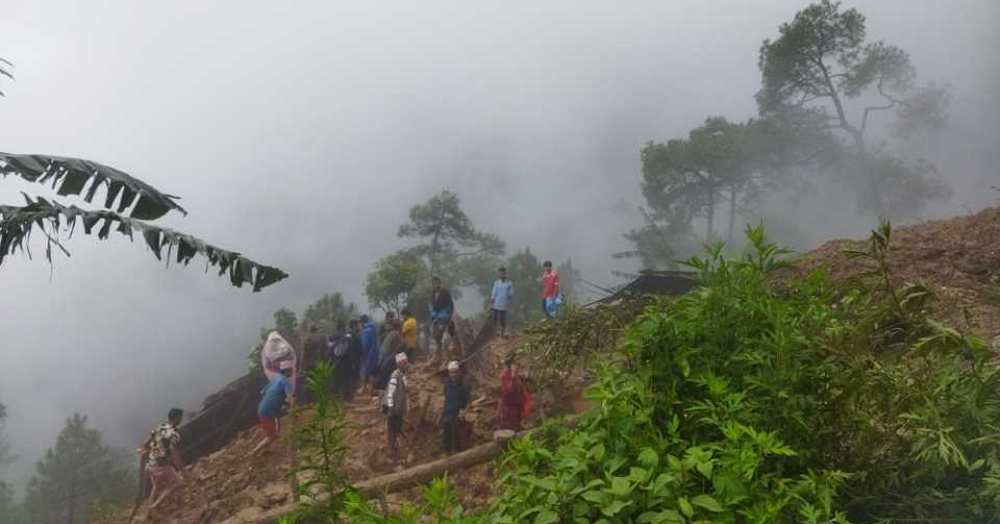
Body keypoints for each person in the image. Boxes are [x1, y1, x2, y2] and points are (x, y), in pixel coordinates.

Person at [142, 408, 185, 510]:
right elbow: (175, 455)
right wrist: (183, 470)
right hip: (162, 466)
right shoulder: (173, 433)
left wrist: (145, 456)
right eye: (181, 418)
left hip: (150, 465)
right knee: (177, 483)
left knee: (156, 486)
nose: (181, 420)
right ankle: (153, 506)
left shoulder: (160, 426)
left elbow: (143, 445)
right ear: (177, 418)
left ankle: (149, 509)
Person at [253, 360, 295, 456]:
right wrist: (292, 410)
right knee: (273, 436)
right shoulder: (286, 382)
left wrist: (278, 401)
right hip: (269, 412)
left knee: (270, 432)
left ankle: (265, 450)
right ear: (287, 371)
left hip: (261, 408)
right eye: (291, 370)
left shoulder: (276, 378)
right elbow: (290, 398)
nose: (292, 371)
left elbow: (262, 392)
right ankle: (254, 452)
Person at [382, 352, 409, 461]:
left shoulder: (402, 375)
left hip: (398, 408)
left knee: (397, 426)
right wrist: (390, 409)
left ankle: (394, 447)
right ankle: (391, 449)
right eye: (404, 363)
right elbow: (390, 393)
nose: (407, 365)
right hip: (393, 409)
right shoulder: (395, 376)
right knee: (392, 428)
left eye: (407, 362)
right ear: (399, 364)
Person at [441, 361, 470, 454]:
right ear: (448, 373)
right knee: (446, 439)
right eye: (451, 372)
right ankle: (447, 457)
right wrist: (441, 413)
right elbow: (446, 398)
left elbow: (469, 402)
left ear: (459, 373)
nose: (453, 375)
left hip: (457, 418)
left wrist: (463, 412)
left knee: (456, 441)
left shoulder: (463, 386)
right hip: (447, 415)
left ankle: (457, 458)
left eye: (455, 372)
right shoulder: (446, 383)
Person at [497, 360, 528, 431]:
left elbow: (520, 391)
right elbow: (508, 390)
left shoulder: (516, 377)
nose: (518, 367)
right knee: (508, 431)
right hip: (509, 410)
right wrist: (513, 378)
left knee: (515, 429)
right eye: (515, 365)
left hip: (516, 409)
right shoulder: (506, 376)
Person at [431, 277, 456, 363]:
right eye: (434, 283)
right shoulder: (433, 293)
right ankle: (438, 354)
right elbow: (433, 305)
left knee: (441, 333)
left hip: (445, 314)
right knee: (435, 335)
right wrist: (433, 313)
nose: (435, 285)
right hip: (436, 315)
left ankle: (446, 356)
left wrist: (450, 315)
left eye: (436, 283)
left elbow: (450, 304)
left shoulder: (445, 292)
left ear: (440, 283)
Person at [300, 324, 326, 404]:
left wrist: (301, 366)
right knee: (318, 382)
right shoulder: (322, 338)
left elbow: (304, 354)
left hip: (309, 365)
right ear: (316, 330)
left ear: (310, 330)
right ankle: (318, 401)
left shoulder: (307, 339)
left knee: (309, 383)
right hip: (319, 364)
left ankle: (309, 402)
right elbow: (324, 352)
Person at [490, 267, 515, 338]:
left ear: (505, 274)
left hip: (503, 305)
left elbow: (511, 294)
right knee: (494, 320)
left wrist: (510, 295)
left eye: (503, 274)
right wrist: (492, 302)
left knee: (502, 320)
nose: (501, 275)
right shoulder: (496, 283)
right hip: (496, 304)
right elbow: (493, 293)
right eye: (500, 274)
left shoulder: (509, 284)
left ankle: (502, 334)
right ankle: (494, 333)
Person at [361, 314, 380, 392]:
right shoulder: (374, 328)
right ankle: (370, 387)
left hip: (369, 354)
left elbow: (365, 345)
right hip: (375, 352)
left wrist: (363, 354)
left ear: (362, 322)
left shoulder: (366, 330)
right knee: (373, 371)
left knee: (367, 370)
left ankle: (366, 388)